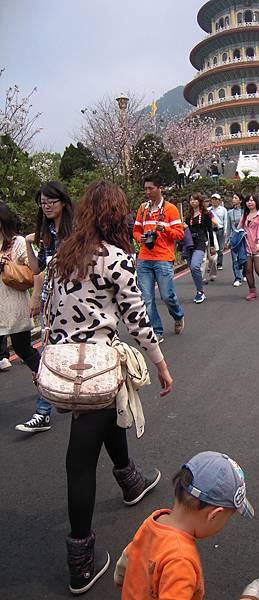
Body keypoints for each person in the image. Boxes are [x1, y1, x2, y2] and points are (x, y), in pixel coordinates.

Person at [49, 180, 173, 595]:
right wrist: (161, 365)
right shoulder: (116, 259)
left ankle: (130, 481)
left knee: (109, 412)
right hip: (96, 363)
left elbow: (52, 311)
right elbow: (138, 319)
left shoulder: (65, 253)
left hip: (64, 360)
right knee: (79, 461)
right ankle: (80, 562)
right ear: (118, 215)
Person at [114, 451, 253, 599]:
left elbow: (127, 559)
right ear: (214, 515)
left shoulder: (154, 521)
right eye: (226, 519)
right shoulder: (181, 561)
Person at [16, 181, 74, 433]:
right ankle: (43, 412)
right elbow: (38, 270)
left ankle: (86, 400)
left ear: (63, 202)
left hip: (76, 304)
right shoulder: (48, 232)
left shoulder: (75, 231)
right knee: (48, 355)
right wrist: (30, 243)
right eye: (43, 203)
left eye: (51, 201)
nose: (47, 206)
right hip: (52, 304)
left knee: (75, 355)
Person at [134, 175, 185, 344]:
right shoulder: (142, 209)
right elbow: (136, 230)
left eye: (150, 188)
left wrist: (165, 229)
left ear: (159, 188)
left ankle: (178, 315)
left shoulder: (170, 209)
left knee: (167, 295)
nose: (147, 192)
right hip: (144, 259)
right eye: (145, 188)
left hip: (163, 258)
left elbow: (179, 234)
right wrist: (139, 238)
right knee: (146, 299)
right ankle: (157, 330)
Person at [0, 202, 41, 391]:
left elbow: (37, 270)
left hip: (14, 307)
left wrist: (35, 298)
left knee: (22, 348)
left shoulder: (17, 242)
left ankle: (47, 379)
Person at [185, 193, 215, 304]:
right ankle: (200, 290)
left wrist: (212, 245)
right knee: (192, 269)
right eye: (191, 200)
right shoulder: (188, 215)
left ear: (199, 201)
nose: (193, 202)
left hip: (200, 242)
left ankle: (200, 292)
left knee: (194, 266)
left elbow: (210, 230)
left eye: (195, 200)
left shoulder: (206, 214)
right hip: (189, 243)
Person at [240, 195, 259, 301]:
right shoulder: (245, 215)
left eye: (252, 201)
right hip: (247, 246)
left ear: (256, 202)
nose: (250, 203)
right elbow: (239, 229)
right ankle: (252, 291)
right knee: (248, 270)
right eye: (248, 201)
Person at [226, 193, 245, 286]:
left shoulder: (245, 211)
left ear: (240, 200)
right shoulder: (229, 212)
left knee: (244, 258)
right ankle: (238, 278)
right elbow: (228, 227)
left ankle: (245, 273)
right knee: (234, 259)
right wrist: (227, 240)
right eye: (232, 197)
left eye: (235, 198)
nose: (233, 199)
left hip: (244, 238)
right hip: (234, 238)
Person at [210, 193, 227, 270]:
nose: (214, 201)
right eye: (213, 199)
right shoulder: (208, 210)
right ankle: (212, 264)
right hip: (212, 231)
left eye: (216, 199)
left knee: (220, 248)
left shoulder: (223, 210)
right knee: (212, 248)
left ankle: (219, 264)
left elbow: (225, 220)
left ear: (219, 201)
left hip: (220, 230)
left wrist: (226, 230)